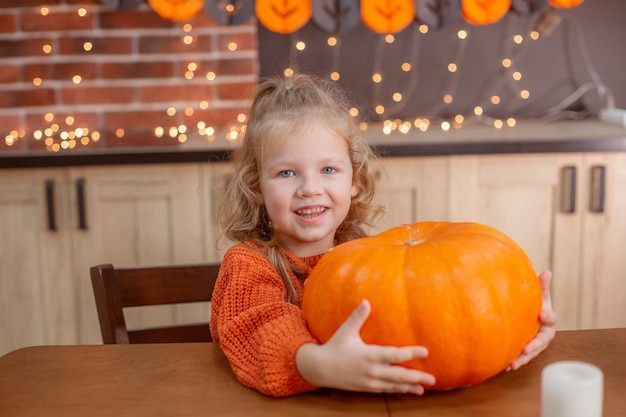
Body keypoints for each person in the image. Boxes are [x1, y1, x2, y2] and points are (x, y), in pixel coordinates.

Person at [209, 73, 557, 397]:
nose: (309, 189)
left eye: (328, 169)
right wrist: (317, 364)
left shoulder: (364, 254)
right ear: (256, 188)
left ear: (355, 181)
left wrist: (522, 320)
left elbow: (441, 313)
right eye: (287, 173)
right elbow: (257, 329)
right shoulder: (248, 265)